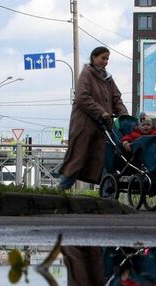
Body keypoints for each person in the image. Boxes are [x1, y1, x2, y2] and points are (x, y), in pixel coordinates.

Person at [58, 46, 129, 190]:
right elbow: (82, 97)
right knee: (78, 158)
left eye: (107, 59)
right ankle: (62, 189)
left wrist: (123, 113)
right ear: (93, 58)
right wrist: (101, 111)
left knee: (104, 159)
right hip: (85, 125)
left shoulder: (107, 78)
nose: (105, 61)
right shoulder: (87, 73)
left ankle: (106, 194)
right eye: (103, 58)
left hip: (102, 126)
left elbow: (116, 98)